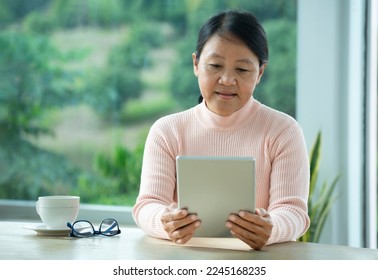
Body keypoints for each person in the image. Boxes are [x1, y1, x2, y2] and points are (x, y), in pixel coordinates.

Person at [132, 9, 310, 250]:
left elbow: (293, 211)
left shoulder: (283, 131)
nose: (227, 80)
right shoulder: (167, 131)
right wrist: (165, 222)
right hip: (183, 262)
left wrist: (272, 227)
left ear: (260, 73)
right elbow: (147, 205)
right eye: (215, 65)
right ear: (196, 64)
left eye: (242, 70)